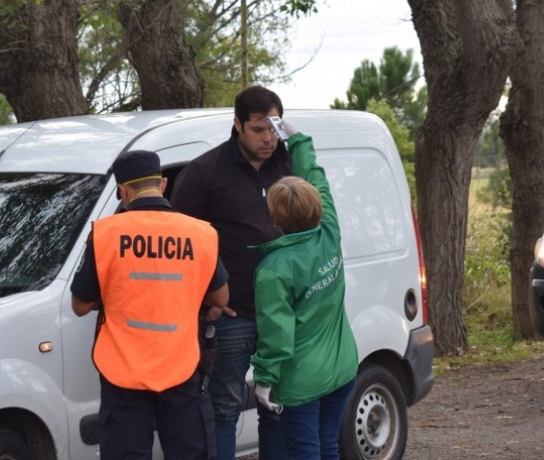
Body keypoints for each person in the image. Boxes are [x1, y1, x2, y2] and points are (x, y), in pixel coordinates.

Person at [70, 149, 230, 460]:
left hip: (122, 372)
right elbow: (221, 298)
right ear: (163, 184)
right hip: (181, 367)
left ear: (123, 191)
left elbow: (80, 304)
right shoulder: (200, 233)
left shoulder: (106, 234)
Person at [170, 85, 290, 459]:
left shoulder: (289, 165)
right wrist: (207, 298)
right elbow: (180, 243)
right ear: (237, 125)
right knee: (224, 409)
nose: (268, 138)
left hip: (281, 314)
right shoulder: (205, 172)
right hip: (230, 315)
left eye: (274, 128)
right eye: (258, 129)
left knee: (278, 408)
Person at [250, 120, 358, 460]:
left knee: (304, 451)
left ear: (277, 221)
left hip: (301, 381)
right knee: (328, 446)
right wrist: (297, 140)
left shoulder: (274, 269)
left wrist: (264, 379)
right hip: (341, 367)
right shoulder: (329, 232)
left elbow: (277, 335)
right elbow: (317, 179)